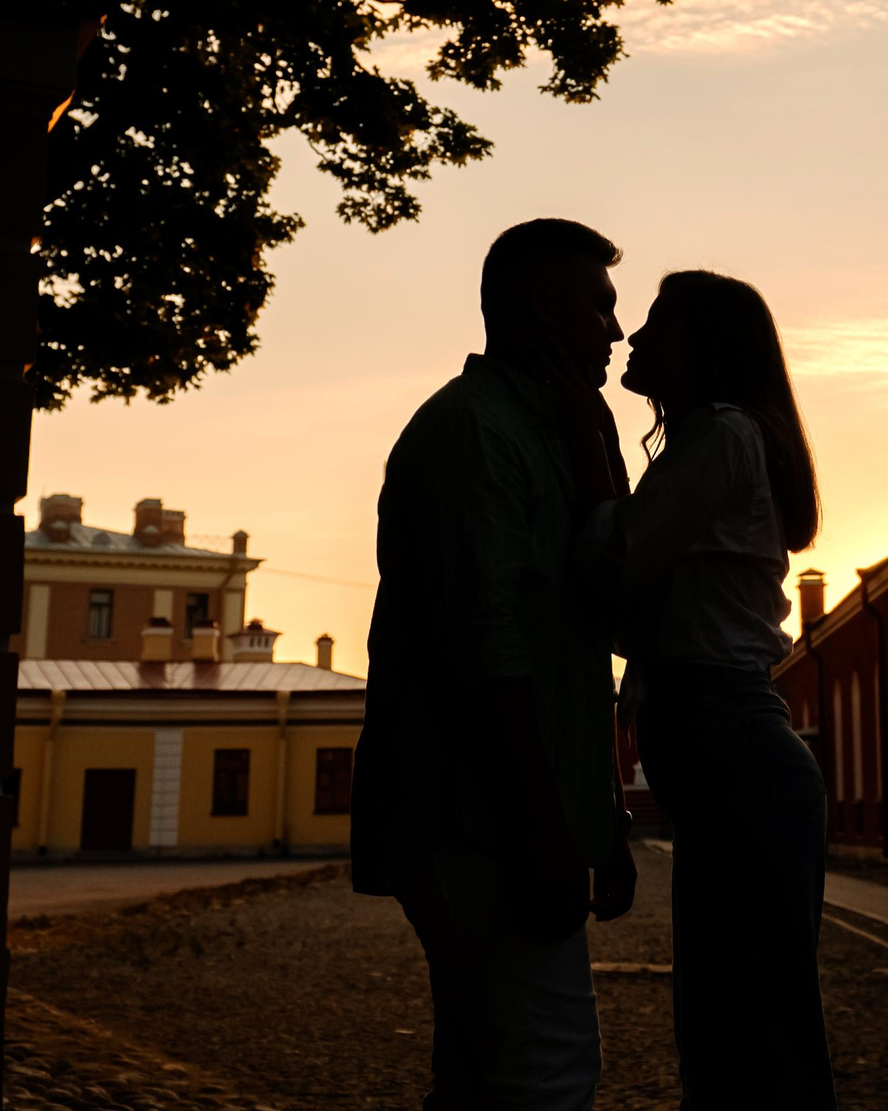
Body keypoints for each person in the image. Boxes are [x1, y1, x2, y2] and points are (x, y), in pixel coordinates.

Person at [352, 218, 640, 1111]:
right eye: (600, 307)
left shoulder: (547, 431)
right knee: (546, 1071)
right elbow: (486, 649)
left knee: (484, 1075)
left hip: (499, 818)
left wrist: (601, 826)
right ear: (540, 309)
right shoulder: (475, 432)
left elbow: (613, 624)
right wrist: (548, 830)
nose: (617, 332)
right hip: (474, 821)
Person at [573, 269, 835, 1110]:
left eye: (657, 321)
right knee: (735, 1025)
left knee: (749, 1029)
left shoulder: (721, 434)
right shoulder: (711, 444)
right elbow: (631, 613)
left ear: (705, 348)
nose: (635, 337)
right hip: (726, 750)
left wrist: (589, 470)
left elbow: (613, 570)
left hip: (733, 746)